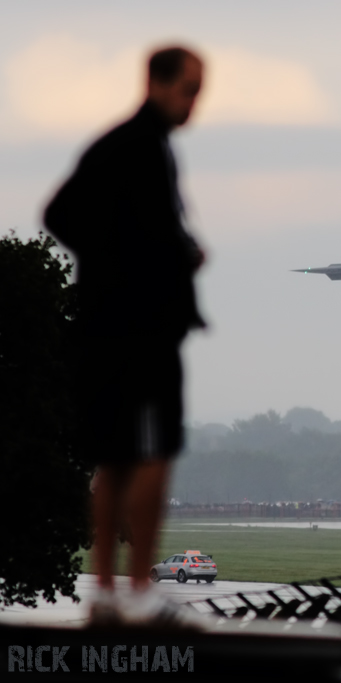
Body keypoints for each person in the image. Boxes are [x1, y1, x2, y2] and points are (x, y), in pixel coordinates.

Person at [44, 46, 207, 626]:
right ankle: (134, 586)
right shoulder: (133, 147)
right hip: (135, 324)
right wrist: (136, 266)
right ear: (158, 83)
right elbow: (64, 216)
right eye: (189, 89)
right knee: (147, 452)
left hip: (119, 323)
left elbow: (77, 217)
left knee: (118, 454)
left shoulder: (132, 147)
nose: (194, 103)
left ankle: (114, 588)